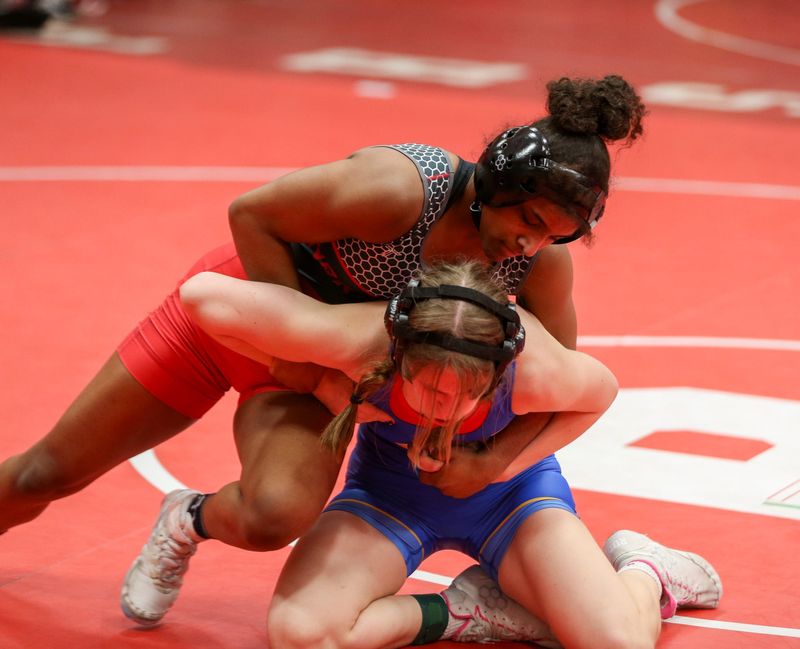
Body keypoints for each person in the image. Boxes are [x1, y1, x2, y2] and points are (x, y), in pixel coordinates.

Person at [0, 75, 647, 625]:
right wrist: (295, 362)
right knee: (45, 474)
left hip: (322, 366)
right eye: (529, 222)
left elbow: (556, 384)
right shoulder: (401, 190)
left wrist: (490, 460)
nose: (529, 246)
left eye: (556, 237)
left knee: (274, 515)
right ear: (497, 186)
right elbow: (251, 214)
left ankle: (185, 518)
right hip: (239, 318)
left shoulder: (537, 269)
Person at [160, 260, 721, 648]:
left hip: (510, 501)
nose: (445, 407)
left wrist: (496, 463)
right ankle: (462, 612)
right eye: (427, 389)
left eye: (467, 394)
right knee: (301, 634)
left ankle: (647, 567)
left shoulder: (534, 368)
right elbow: (202, 296)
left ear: (498, 374)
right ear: (398, 357)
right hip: (389, 499)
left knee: (617, 640)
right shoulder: (362, 342)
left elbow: (600, 392)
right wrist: (313, 378)